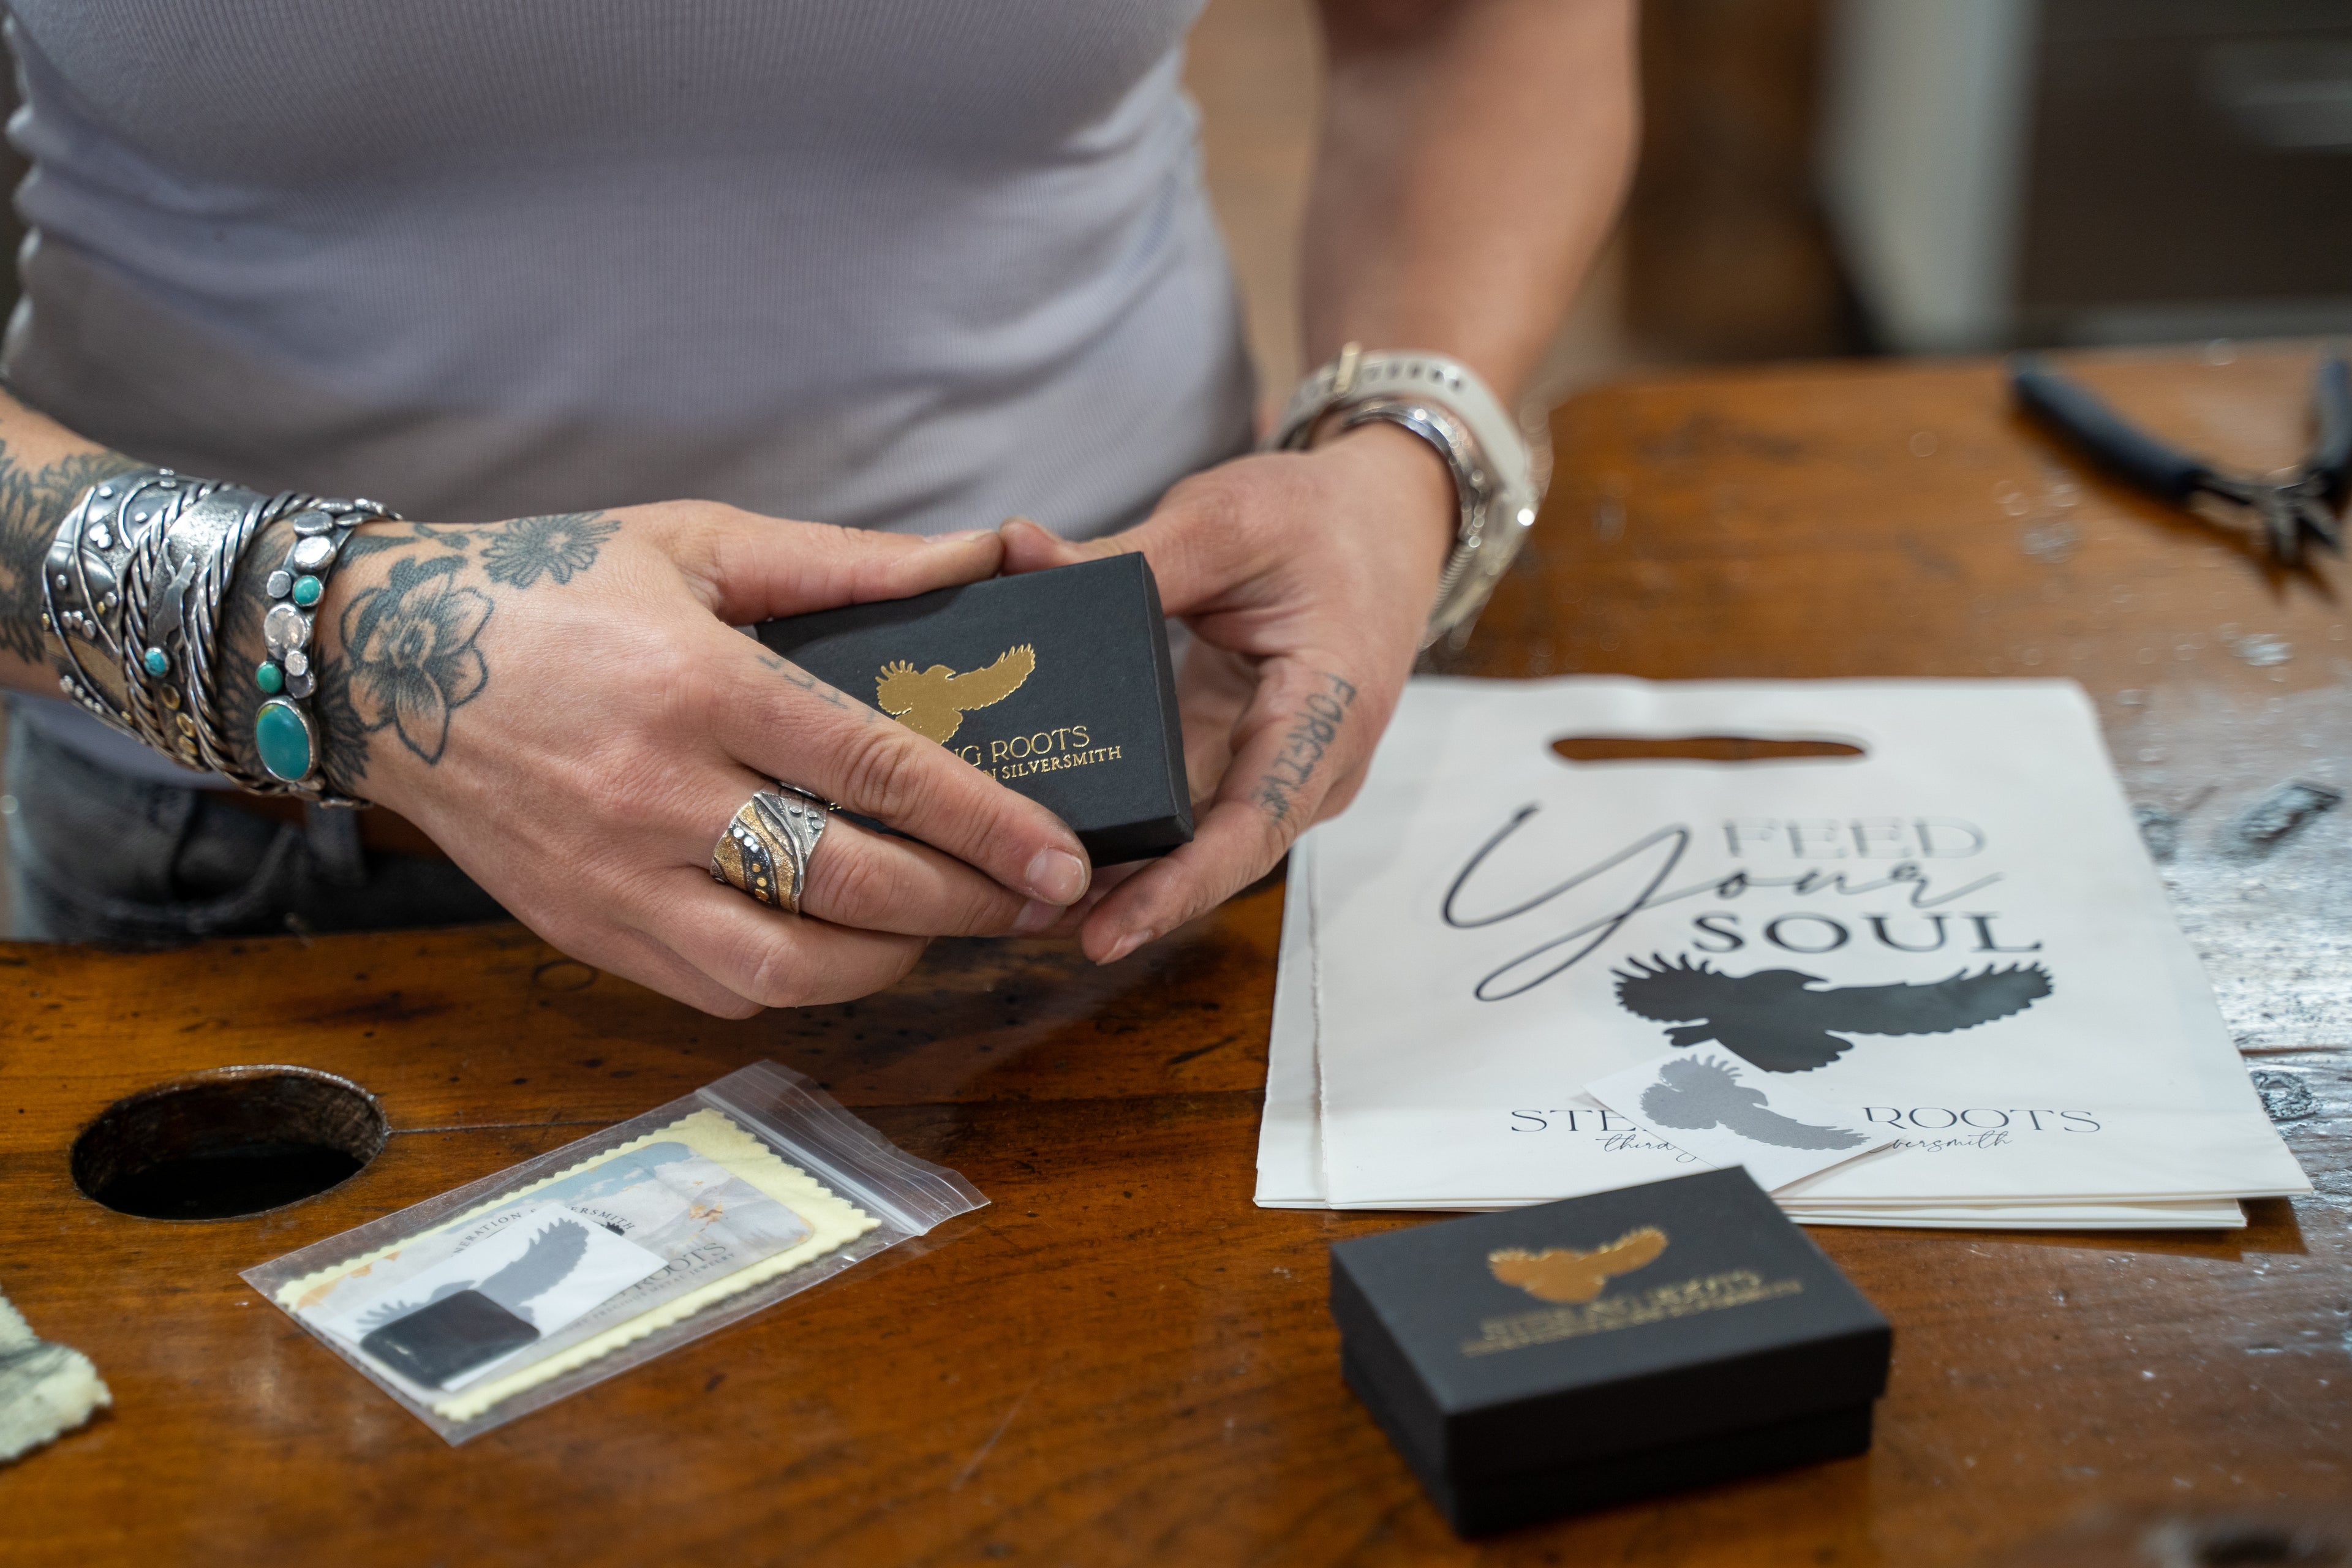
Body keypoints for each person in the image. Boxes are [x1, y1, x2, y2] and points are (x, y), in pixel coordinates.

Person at [0, 0, 1634, 1017]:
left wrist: (1400, 450)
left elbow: (1468, 28)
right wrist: (356, 652)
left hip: (1142, 795)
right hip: (269, 858)